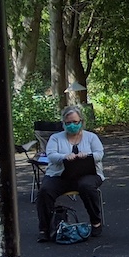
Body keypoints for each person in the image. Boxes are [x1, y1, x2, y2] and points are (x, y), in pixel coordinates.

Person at [36, 104, 105, 242]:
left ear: (81, 122)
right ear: (64, 123)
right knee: (45, 191)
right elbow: (51, 155)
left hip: (88, 173)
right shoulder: (56, 138)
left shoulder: (91, 137)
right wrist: (64, 157)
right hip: (61, 175)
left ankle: (95, 221)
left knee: (87, 186)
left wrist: (88, 156)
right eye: (68, 123)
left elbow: (100, 154)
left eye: (75, 122)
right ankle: (45, 228)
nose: (72, 125)